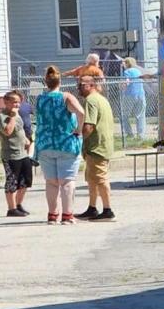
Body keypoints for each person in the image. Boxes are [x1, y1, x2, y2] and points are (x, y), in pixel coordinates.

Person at [34, 65, 85, 224]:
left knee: (51, 182)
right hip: (66, 143)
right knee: (67, 181)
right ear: (60, 81)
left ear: (45, 81)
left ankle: (52, 215)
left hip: (45, 143)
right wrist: (79, 129)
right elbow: (81, 112)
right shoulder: (66, 97)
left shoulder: (40, 99)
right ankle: (67, 215)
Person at [77, 73, 115, 222]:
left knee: (100, 178)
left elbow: (89, 126)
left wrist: (78, 137)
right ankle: (92, 208)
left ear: (90, 85)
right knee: (92, 178)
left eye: (80, 85)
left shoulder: (91, 100)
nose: (78, 88)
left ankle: (108, 210)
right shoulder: (101, 99)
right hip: (101, 144)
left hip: (96, 145)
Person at [0, 89, 33, 218]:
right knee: (12, 181)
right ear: (6, 102)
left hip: (23, 153)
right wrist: (12, 116)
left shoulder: (17, 115)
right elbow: (8, 131)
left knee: (25, 181)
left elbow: (20, 130)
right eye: (13, 102)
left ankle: (18, 205)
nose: (16, 105)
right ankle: (11, 209)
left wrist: (26, 140)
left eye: (18, 102)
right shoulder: (2, 116)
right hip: (11, 155)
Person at [120, 56, 149, 140]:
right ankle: (141, 135)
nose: (123, 64)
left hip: (129, 95)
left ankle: (129, 133)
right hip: (140, 95)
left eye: (124, 63)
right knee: (140, 115)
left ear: (127, 63)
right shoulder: (138, 71)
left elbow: (126, 81)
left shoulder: (127, 71)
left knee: (124, 115)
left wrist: (122, 86)